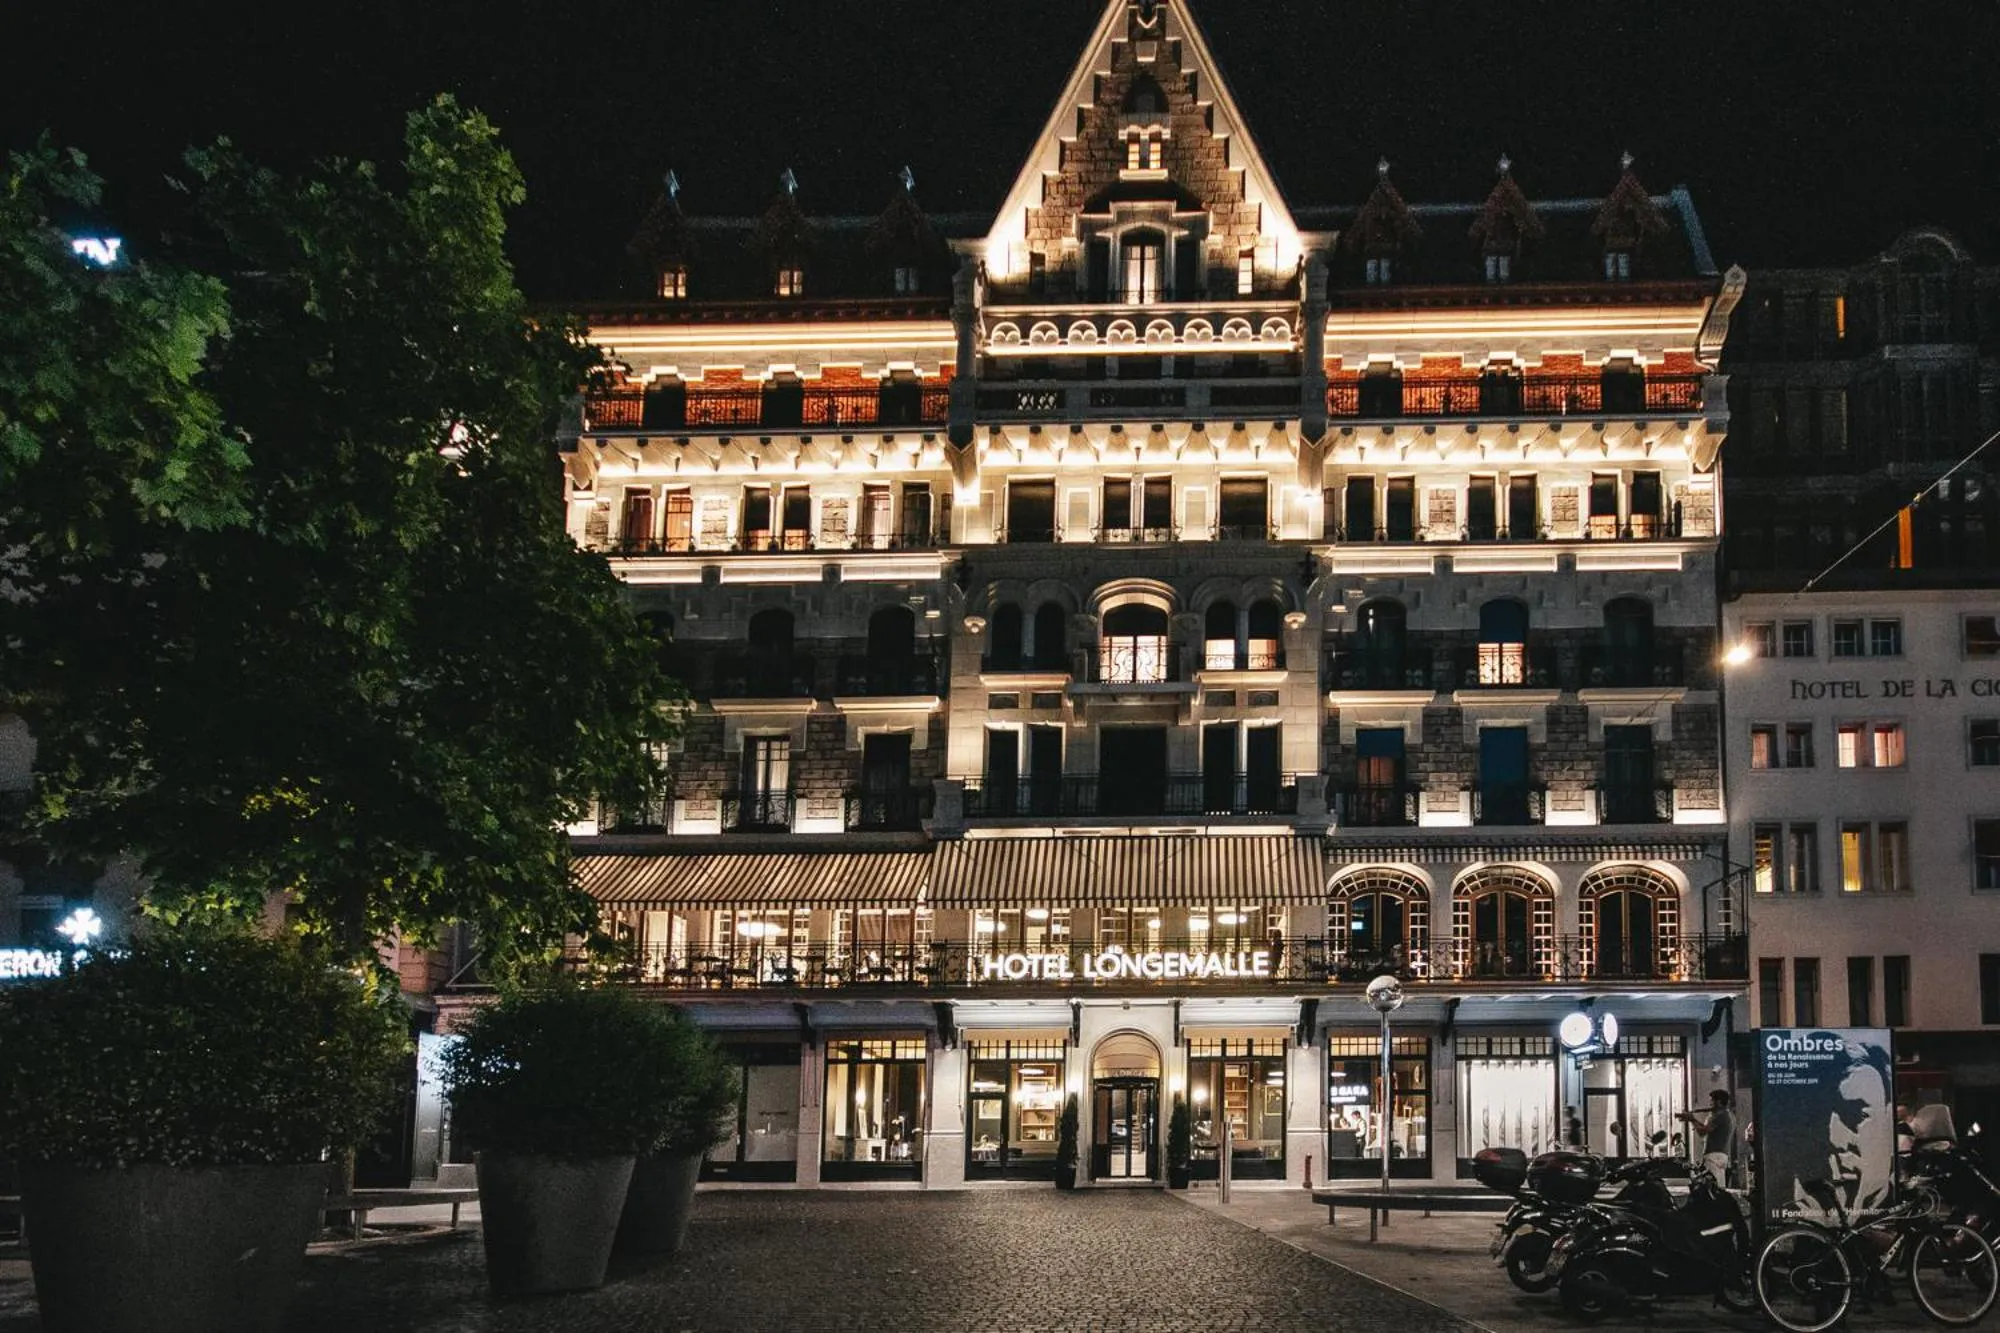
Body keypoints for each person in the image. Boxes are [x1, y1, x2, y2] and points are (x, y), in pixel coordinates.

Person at [1680, 1089, 1736, 1185]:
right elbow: (1706, 1129)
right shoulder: (1726, 1115)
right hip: (1720, 1155)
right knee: (1718, 1186)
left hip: (1714, 1156)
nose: (1710, 1104)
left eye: (1711, 1101)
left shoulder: (1721, 1116)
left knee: (1712, 1187)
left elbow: (1702, 1131)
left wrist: (1692, 1119)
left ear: (1718, 1102)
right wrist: (1693, 1120)